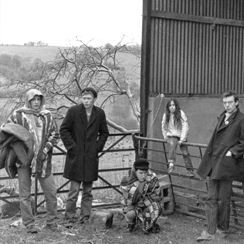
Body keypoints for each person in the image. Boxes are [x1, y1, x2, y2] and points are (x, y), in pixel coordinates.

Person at [3, 89, 60, 233]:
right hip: (23, 161)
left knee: (51, 192)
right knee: (25, 195)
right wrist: (18, 145)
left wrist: (45, 150)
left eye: (39, 99)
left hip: (43, 160)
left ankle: (52, 222)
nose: (36, 102)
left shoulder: (47, 116)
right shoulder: (18, 115)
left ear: (42, 100)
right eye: (33, 99)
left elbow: (55, 134)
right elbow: (6, 130)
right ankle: (29, 224)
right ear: (28, 100)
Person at [196, 91, 244, 241]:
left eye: (230, 102)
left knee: (223, 199)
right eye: (225, 102)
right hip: (214, 162)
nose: (227, 105)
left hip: (227, 164)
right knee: (210, 197)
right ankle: (210, 230)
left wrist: (233, 152)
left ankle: (222, 230)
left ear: (236, 102)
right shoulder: (222, 117)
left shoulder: (242, 120)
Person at [60, 87, 109, 227]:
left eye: (89, 98)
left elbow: (104, 132)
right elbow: (63, 130)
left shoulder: (99, 113)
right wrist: (72, 147)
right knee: (73, 190)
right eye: (84, 98)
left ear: (94, 99)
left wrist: (97, 148)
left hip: (90, 158)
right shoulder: (74, 111)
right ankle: (69, 218)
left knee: (88, 190)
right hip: (75, 157)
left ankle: (85, 217)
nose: (86, 101)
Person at [120, 159, 162, 234]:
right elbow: (126, 198)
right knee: (130, 214)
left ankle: (149, 224)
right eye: (140, 173)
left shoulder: (153, 177)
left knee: (157, 207)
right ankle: (131, 222)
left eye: (145, 173)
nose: (143, 176)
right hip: (132, 203)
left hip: (146, 201)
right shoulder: (126, 179)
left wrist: (145, 202)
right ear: (135, 171)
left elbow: (157, 194)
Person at [161, 98, 195, 177]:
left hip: (182, 135)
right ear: (168, 107)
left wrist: (182, 139)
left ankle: (190, 170)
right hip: (172, 135)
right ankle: (171, 164)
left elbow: (185, 126)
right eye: (170, 105)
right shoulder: (166, 115)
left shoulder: (181, 113)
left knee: (185, 152)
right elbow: (163, 126)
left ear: (176, 106)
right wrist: (166, 137)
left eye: (173, 105)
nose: (172, 107)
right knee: (173, 144)